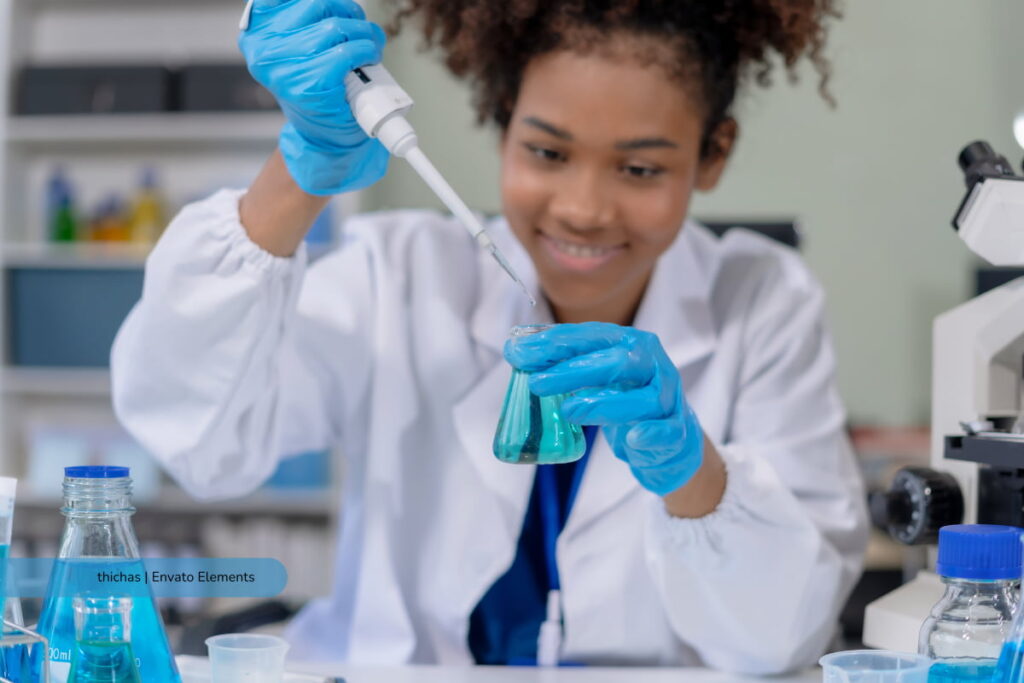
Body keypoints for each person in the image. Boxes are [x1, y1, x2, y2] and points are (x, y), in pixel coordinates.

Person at [111, 0, 868, 672]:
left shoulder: (763, 299)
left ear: (713, 153)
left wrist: (695, 475)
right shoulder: (397, 272)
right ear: (501, 119)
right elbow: (197, 441)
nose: (583, 208)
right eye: (547, 152)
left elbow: (782, 640)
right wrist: (302, 168)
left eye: (639, 167)